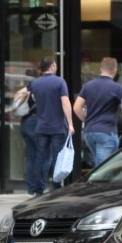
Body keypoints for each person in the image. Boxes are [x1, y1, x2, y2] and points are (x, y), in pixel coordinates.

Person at [30, 57, 74, 191]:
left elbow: (33, 98)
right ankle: (56, 186)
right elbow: (65, 103)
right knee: (57, 157)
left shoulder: (35, 83)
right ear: (52, 66)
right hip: (57, 127)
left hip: (41, 126)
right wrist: (70, 123)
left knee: (41, 157)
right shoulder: (59, 82)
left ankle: (39, 188)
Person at [74, 57, 122, 168]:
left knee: (99, 164)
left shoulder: (89, 86)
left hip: (89, 132)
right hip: (106, 132)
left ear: (101, 68)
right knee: (102, 169)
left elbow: (77, 107)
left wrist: (88, 120)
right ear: (115, 70)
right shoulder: (116, 88)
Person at [12, 71, 42, 196]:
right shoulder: (38, 86)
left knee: (31, 157)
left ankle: (30, 188)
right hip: (35, 122)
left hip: (25, 122)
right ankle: (38, 187)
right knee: (41, 155)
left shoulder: (26, 89)